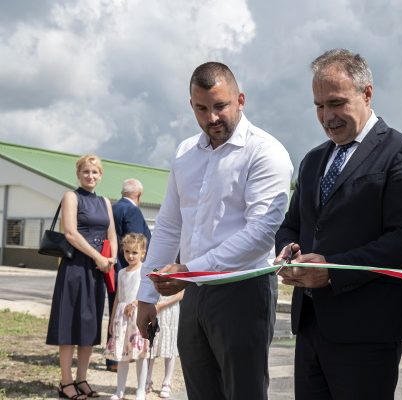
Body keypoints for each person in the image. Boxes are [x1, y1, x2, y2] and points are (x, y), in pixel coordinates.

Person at [275, 48, 402, 400]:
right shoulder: (313, 160)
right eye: (319, 106)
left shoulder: (401, 153)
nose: (327, 116)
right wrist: (287, 252)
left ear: (367, 93)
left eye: (336, 103)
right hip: (310, 326)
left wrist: (332, 270)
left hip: (367, 332)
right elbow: (292, 225)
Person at [135, 61, 293, 400]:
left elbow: (260, 234)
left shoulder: (265, 152)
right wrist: (146, 295)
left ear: (241, 100)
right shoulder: (185, 153)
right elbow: (169, 225)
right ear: (191, 105)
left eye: (220, 106)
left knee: (244, 393)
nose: (212, 117)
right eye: (201, 108)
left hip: (243, 290)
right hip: (194, 293)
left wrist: (189, 271)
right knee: (201, 392)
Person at [46, 154, 117, 400]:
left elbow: (112, 234)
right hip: (75, 268)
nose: (90, 176)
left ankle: (82, 379)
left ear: (101, 175)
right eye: (86, 171)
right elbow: (71, 233)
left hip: (98, 270)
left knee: (89, 326)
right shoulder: (71, 197)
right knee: (69, 325)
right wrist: (98, 257)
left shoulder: (105, 202)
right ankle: (66, 382)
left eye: (95, 172)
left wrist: (111, 259)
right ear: (78, 174)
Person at [106, 178, 152, 373]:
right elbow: (135, 242)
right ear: (139, 196)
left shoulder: (113, 208)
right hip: (129, 271)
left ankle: (113, 358)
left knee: (116, 311)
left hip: (113, 267)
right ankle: (125, 354)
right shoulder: (132, 211)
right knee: (128, 315)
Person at [105, 233, 149, 400]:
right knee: (121, 354)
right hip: (122, 317)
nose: (130, 256)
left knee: (140, 354)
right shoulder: (122, 272)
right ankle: (120, 390)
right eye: (127, 251)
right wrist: (112, 320)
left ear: (143, 253)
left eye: (135, 252)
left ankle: (141, 390)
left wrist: (135, 303)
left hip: (138, 316)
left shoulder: (144, 270)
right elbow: (118, 296)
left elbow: (147, 292)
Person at [144, 291, 184, 399]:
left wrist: (164, 304)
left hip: (171, 307)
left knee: (170, 343)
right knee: (151, 343)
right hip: (154, 305)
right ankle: (147, 379)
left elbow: (182, 292)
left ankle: (167, 382)